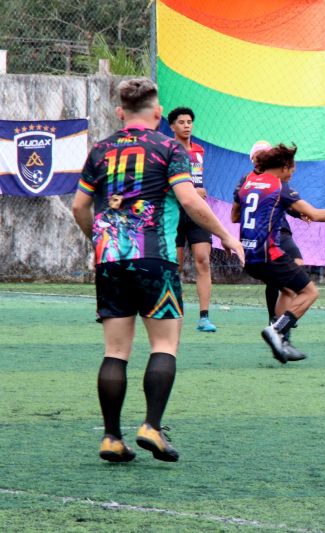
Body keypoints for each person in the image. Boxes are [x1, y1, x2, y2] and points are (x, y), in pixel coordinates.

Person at [72, 78, 244, 463]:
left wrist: (99, 242)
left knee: (115, 350)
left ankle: (112, 437)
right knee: (164, 345)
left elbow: (79, 208)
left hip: (110, 259)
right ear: (157, 113)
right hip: (156, 258)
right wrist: (226, 237)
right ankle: (151, 425)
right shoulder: (169, 147)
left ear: (120, 112)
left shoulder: (99, 150)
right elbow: (189, 201)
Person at [231, 143, 325, 364]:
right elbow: (314, 214)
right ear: (284, 167)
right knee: (310, 292)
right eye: (292, 170)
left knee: (288, 289)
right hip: (268, 254)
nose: (292, 175)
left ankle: (282, 340)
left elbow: (234, 217)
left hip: (247, 255)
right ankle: (277, 330)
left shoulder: (246, 184)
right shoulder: (280, 187)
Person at [239, 141, 305, 331]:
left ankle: (283, 320)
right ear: (253, 159)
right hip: (264, 235)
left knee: (296, 269)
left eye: (265, 153)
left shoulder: (278, 180)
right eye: (258, 155)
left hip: (281, 230)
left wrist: (299, 213)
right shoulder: (248, 180)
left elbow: (287, 202)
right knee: (289, 283)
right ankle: (276, 321)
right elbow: (237, 213)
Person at [168, 107, 216, 332]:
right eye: (181, 122)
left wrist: (199, 193)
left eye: (189, 122)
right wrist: (191, 193)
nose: (187, 125)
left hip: (196, 213)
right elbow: (166, 182)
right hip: (175, 213)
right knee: (174, 265)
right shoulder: (167, 150)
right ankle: (173, 312)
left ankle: (204, 317)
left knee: (203, 259)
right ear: (172, 127)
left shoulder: (199, 151)